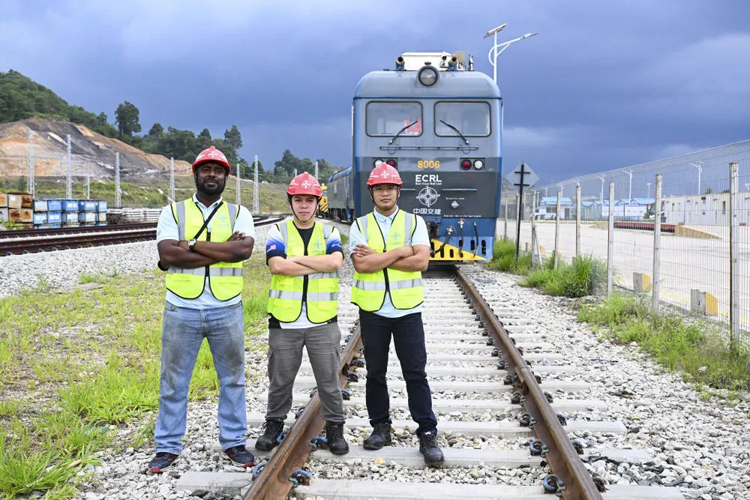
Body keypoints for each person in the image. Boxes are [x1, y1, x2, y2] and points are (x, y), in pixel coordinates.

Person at [148, 146, 256, 473]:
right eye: (206, 169)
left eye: (218, 170)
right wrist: (224, 250)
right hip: (182, 308)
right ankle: (167, 446)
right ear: (195, 174)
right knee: (173, 381)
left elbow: (243, 251)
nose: (212, 175)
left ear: (226, 177)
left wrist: (191, 245)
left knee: (233, 379)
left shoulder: (239, 213)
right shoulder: (173, 212)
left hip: (227, 307)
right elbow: (168, 255)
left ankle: (234, 441)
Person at [349, 163, 444, 466]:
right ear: (372, 193)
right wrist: (402, 251)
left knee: (415, 373)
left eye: (390, 188)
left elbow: (421, 263)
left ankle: (427, 431)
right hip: (373, 310)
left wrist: (379, 257)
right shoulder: (360, 225)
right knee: (375, 373)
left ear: (398, 191)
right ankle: (380, 427)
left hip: (407, 310)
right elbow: (362, 266)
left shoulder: (414, 222)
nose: (385, 193)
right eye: (379, 189)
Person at [254, 172, 349, 455]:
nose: (304, 205)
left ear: (318, 202)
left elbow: (335, 263)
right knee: (280, 380)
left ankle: (335, 427)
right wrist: (317, 262)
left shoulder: (329, 232)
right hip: (285, 320)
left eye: (309, 200)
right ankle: (273, 425)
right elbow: (277, 266)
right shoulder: (278, 231)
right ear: (291, 202)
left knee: (329, 381)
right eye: (299, 200)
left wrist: (294, 259)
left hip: (322, 320)